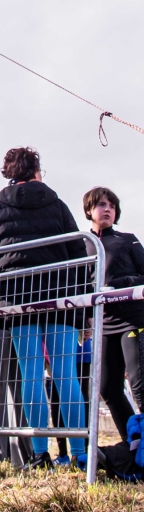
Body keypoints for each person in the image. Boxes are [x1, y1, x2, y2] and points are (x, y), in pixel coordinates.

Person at [0, 147, 88, 470]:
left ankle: (39, 453)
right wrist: (83, 309)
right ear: (36, 170)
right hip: (60, 297)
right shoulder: (57, 204)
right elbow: (79, 254)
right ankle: (80, 453)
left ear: (9, 172)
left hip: (18, 299)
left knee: (31, 375)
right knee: (66, 374)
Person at [84, 186, 144, 441]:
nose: (107, 209)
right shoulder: (82, 245)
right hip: (104, 325)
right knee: (108, 388)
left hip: (133, 320)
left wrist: (120, 284)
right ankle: (135, 443)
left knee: (140, 386)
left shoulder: (127, 239)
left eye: (112, 206)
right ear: (89, 210)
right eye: (101, 204)